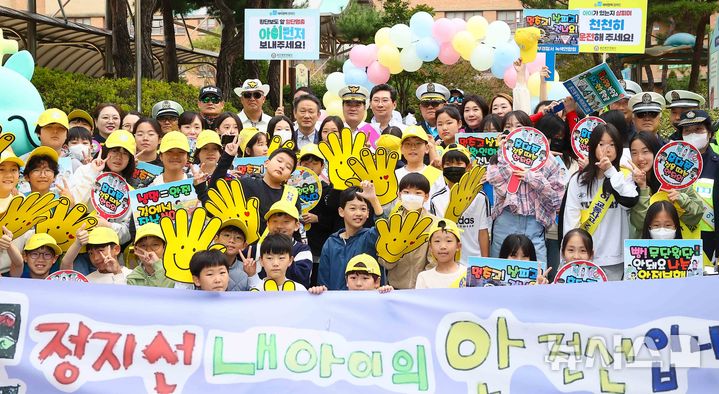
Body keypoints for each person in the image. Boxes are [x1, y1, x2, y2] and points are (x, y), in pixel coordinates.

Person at [563, 124, 638, 280]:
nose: (607, 149)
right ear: (593, 147)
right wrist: (568, 255)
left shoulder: (624, 176)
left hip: (614, 258)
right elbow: (571, 218)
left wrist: (611, 171)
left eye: (612, 144)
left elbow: (630, 200)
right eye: (601, 144)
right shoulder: (579, 180)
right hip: (582, 258)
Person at [487, 120, 564, 263]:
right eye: (508, 127)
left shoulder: (547, 159)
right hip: (505, 218)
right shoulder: (498, 159)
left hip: (534, 221)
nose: (512, 130)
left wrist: (532, 178)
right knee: (499, 268)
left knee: (537, 270)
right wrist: (504, 158)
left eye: (518, 126)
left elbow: (557, 199)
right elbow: (500, 188)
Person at [199, 146, 300, 235]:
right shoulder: (246, 184)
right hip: (243, 247)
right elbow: (216, 188)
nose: (282, 166)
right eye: (279, 161)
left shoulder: (292, 196)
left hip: (275, 253)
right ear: (266, 163)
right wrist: (228, 157)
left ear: (289, 176)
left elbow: (295, 231)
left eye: (288, 167)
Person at [628, 131, 703, 238]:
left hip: (678, 250)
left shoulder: (677, 180)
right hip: (646, 250)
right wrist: (643, 188)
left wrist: (681, 199)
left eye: (645, 151)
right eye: (634, 153)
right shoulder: (629, 183)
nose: (640, 158)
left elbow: (696, 218)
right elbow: (640, 224)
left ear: (656, 152)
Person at [70, 130, 136, 245]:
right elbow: (73, 204)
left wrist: (108, 226)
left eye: (125, 153)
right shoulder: (85, 171)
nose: (119, 157)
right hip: (75, 242)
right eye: (114, 151)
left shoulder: (130, 191)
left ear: (130, 159)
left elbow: (127, 234)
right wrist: (93, 173)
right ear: (105, 151)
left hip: (107, 250)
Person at [429, 145, 491, 264]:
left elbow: (483, 232)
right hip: (447, 263)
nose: (453, 167)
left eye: (458, 164)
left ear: (468, 167)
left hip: (474, 261)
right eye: (448, 164)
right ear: (442, 167)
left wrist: (484, 263)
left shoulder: (479, 197)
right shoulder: (436, 199)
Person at [318, 182, 384, 290]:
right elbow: (323, 280)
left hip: (368, 301)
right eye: (353, 208)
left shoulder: (370, 237)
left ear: (368, 213)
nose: (358, 213)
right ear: (341, 211)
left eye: (363, 209)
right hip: (338, 304)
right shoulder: (331, 243)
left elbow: (385, 230)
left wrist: (374, 200)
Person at [378, 173, 440, 289]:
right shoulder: (392, 222)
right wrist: (393, 253)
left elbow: (435, 259)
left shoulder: (434, 223)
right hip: (396, 287)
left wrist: (425, 281)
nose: (412, 196)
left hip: (424, 287)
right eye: (406, 192)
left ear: (426, 196)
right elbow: (384, 261)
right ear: (399, 195)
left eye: (418, 193)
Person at [250, 200, 313, 288]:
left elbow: (302, 277)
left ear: (297, 226)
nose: (279, 226)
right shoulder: (256, 249)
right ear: (267, 224)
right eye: (274, 221)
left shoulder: (302, 250)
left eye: (286, 222)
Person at [298, 144, 334, 267]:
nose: (310, 167)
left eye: (314, 163)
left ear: (322, 166)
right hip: (297, 246)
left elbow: (334, 218)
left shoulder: (328, 190)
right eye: (306, 164)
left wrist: (317, 218)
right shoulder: (290, 188)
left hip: (319, 247)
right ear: (299, 165)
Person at [415, 219, 465, 289]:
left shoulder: (468, 275)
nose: (443, 246)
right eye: (437, 241)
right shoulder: (424, 278)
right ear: (430, 247)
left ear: (458, 246)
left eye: (449, 241)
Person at [308, 254, 393, 294]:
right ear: (346, 281)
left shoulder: (383, 298)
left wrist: (390, 295)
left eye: (365, 278)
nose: (358, 283)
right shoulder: (339, 303)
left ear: (377, 282)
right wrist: (320, 296)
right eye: (353, 278)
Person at [127, 223, 174, 287]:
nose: (149, 251)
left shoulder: (176, 273)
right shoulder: (132, 278)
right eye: (143, 245)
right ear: (136, 249)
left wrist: (157, 264)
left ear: (165, 247)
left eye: (155, 245)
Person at [212, 219, 253, 291]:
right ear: (216, 239)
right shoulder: (204, 265)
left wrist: (252, 275)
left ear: (244, 245)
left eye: (238, 237)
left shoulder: (247, 269)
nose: (231, 240)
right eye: (227, 235)